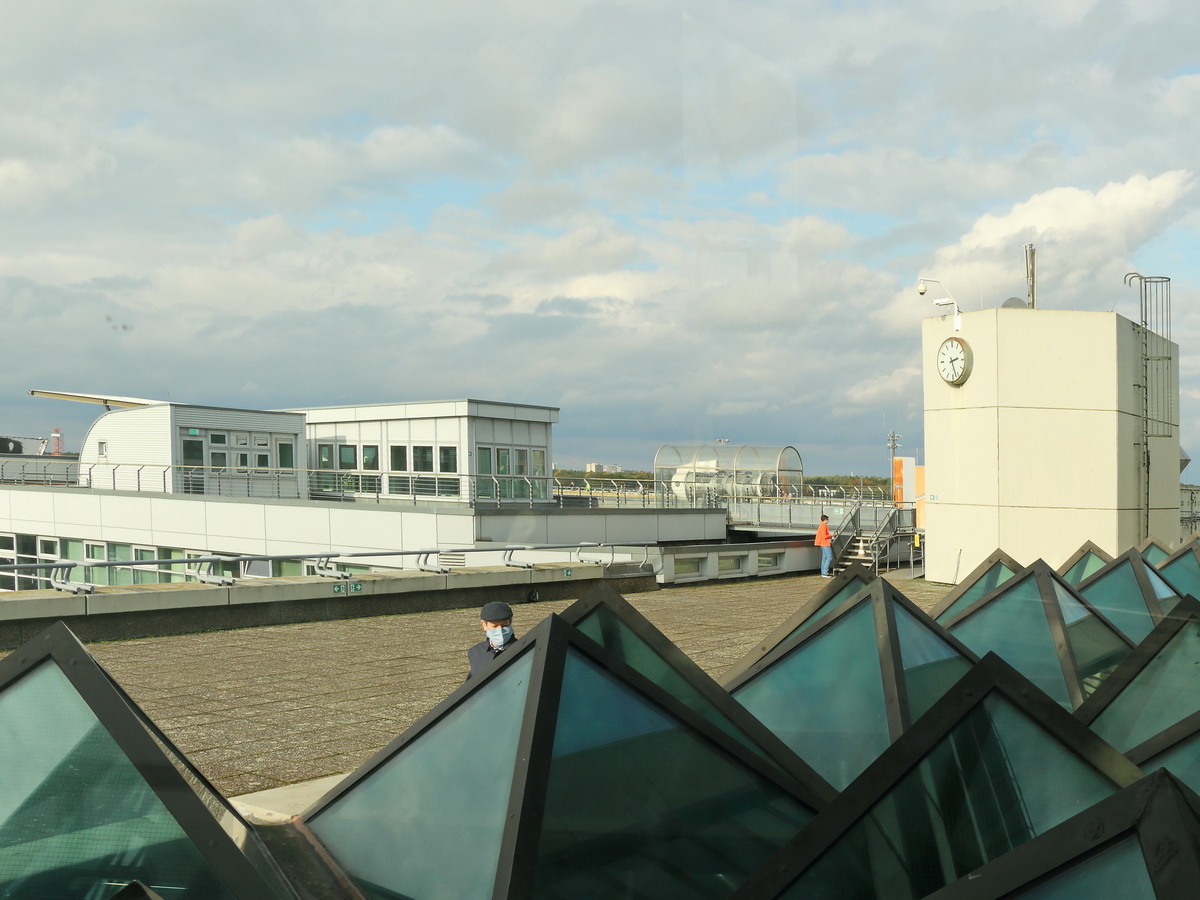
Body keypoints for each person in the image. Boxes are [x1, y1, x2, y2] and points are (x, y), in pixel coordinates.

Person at [466, 600, 518, 678]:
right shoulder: (476, 652)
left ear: (510, 622)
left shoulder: (522, 649)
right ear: (484, 625)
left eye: (504, 625)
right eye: (495, 626)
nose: (500, 629)